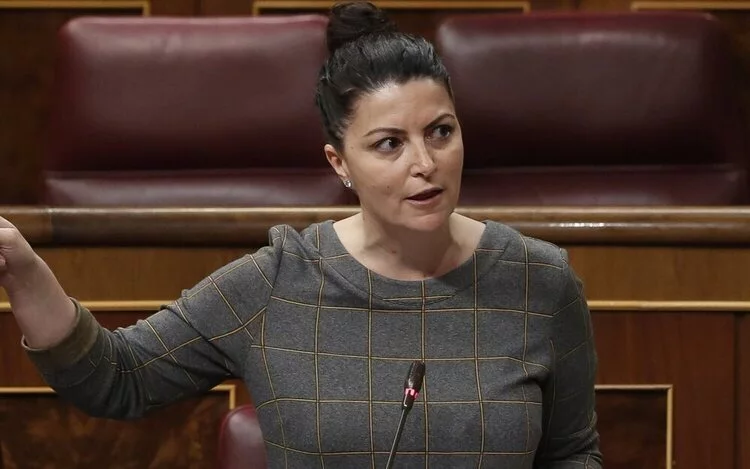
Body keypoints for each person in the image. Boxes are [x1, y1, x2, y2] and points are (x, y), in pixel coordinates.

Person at [0, 2, 602, 467]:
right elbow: (117, 377)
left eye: (441, 132)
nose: (425, 163)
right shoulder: (277, 282)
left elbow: (572, 453)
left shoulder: (541, 281)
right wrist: (23, 267)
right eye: (389, 144)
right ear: (340, 164)